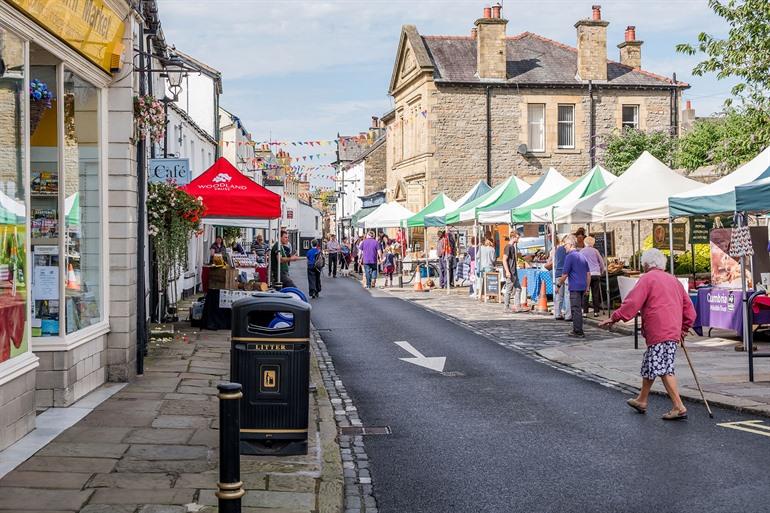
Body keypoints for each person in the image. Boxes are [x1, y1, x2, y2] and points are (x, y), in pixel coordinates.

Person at [600, 248, 696, 420]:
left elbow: (632, 302)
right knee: (650, 365)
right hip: (671, 330)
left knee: (663, 368)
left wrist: (614, 317)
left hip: (659, 331)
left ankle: (678, 406)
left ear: (646, 264)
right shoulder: (673, 280)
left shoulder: (648, 279)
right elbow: (690, 311)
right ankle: (642, 400)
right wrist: (684, 329)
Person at [555, 234, 590, 338]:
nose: (564, 246)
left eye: (565, 244)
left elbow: (564, 274)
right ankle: (577, 329)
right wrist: (587, 287)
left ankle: (578, 331)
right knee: (579, 308)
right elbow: (588, 274)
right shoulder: (582, 255)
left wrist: (558, 285)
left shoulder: (570, 257)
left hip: (575, 286)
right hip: (583, 285)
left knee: (575, 309)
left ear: (570, 245)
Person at [545, 236, 571, 321]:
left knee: (559, 295)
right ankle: (568, 315)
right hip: (566, 274)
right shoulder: (569, 251)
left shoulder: (557, 250)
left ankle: (557, 313)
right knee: (567, 295)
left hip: (558, 273)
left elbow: (554, 262)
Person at [581, 236, 606, 317]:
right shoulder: (595, 251)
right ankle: (596, 312)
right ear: (593, 243)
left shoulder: (582, 251)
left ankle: (585, 312)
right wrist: (601, 271)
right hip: (596, 273)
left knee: (586, 292)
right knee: (596, 293)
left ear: (585, 243)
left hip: (586, 274)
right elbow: (602, 262)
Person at [502, 233, 524, 312]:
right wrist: (507, 271)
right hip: (510, 272)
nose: (518, 239)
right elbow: (504, 260)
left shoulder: (512, 247)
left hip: (514, 272)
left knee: (518, 288)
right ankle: (506, 307)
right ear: (513, 237)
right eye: (517, 238)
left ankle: (517, 306)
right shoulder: (508, 247)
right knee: (509, 290)